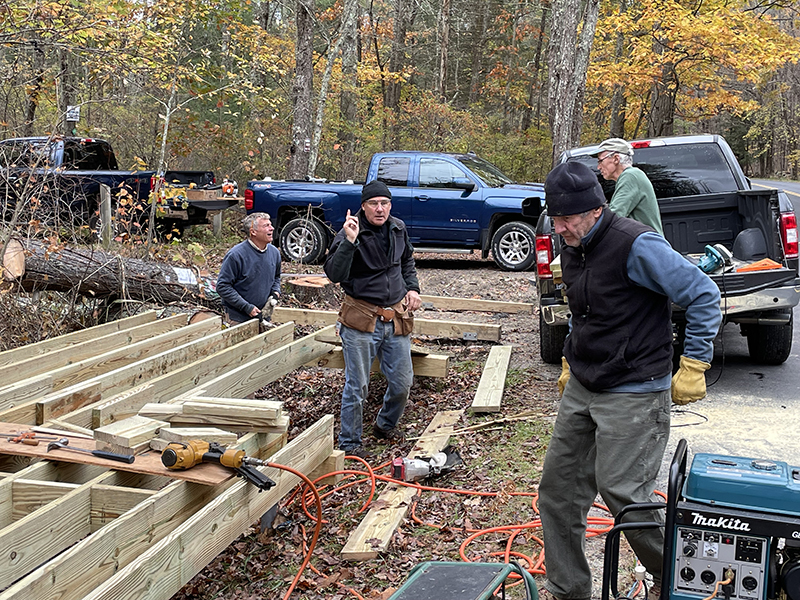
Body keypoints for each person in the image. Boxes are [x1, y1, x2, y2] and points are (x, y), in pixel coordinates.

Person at [538, 161, 721, 600]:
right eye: (555, 219)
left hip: (635, 387)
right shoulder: (573, 245)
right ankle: (568, 590)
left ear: (596, 210)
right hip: (586, 383)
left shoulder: (636, 244)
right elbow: (583, 311)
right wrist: (569, 361)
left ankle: (677, 577)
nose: (559, 228)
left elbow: (704, 295)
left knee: (624, 492)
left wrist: (693, 364)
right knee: (558, 492)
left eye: (566, 220)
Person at [323, 180, 422, 459]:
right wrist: (350, 242)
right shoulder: (350, 232)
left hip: (395, 318)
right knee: (358, 386)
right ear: (363, 206)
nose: (380, 209)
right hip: (361, 320)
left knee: (403, 383)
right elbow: (335, 274)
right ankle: (350, 442)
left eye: (385, 203)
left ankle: (385, 425)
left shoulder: (398, 228)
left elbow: (407, 262)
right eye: (374, 204)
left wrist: (412, 288)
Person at [216, 212, 281, 324]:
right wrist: (246, 307)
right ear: (253, 232)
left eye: (270, 225)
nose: (272, 228)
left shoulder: (274, 253)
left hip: (263, 316)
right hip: (238, 318)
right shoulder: (236, 255)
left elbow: (276, 277)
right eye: (266, 226)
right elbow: (222, 286)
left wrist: (275, 294)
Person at [592, 137, 664, 235]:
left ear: (616, 159)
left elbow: (613, 216)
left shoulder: (631, 176)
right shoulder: (630, 176)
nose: (598, 167)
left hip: (646, 247)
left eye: (601, 161)